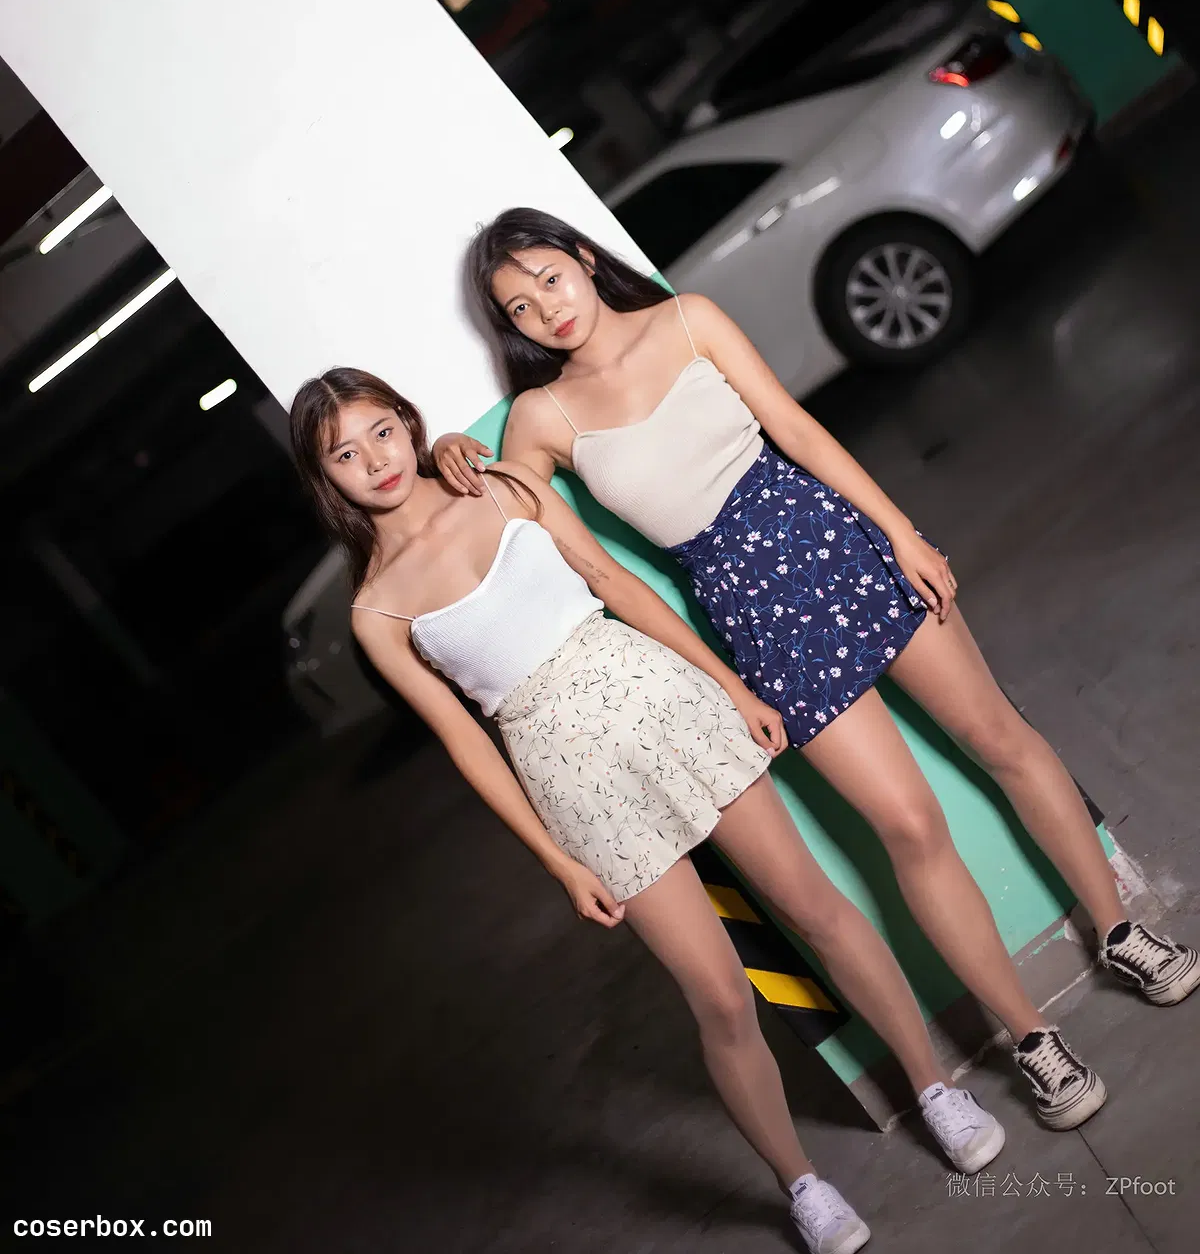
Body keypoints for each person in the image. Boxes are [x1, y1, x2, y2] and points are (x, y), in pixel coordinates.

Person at [434, 207, 1200, 1130]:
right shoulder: (541, 415)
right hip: (754, 614)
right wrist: (450, 456)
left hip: (830, 537)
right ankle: (1031, 1037)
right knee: (907, 824)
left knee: (1000, 737)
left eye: (549, 279)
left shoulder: (689, 319)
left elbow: (796, 430)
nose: (546, 309)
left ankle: (1120, 930)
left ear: (585, 260)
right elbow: (506, 515)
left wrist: (898, 531)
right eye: (519, 309)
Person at [292, 367, 1011, 1254]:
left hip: (662, 698)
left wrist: (731, 686)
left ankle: (935, 1090)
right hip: (568, 775)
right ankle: (803, 1188)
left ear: (408, 423)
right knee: (719, 997)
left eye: (381, 432)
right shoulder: (375, 611)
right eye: (345, 455)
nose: (375, 461)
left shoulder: (501, 485)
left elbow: (614, 583)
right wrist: (558, 861)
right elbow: (464, 742)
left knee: (816, 908)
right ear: (327, 480)